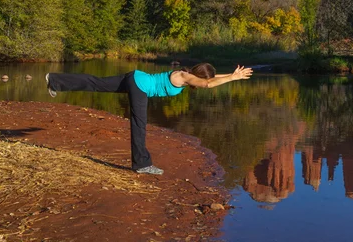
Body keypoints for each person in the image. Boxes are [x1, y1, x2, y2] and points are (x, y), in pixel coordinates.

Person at [45, 63, 253, 175]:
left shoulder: (187, 75)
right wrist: (233, 78)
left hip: (135, 78)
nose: (204, 83)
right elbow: (207, 84)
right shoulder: (184, 77)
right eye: (205, 79)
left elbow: (208, 80)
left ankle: (54, 81)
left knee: (97, 82)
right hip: (140, 87)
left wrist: (230, 75)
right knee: (139, 124)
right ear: (200, 76)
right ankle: (142, 164)